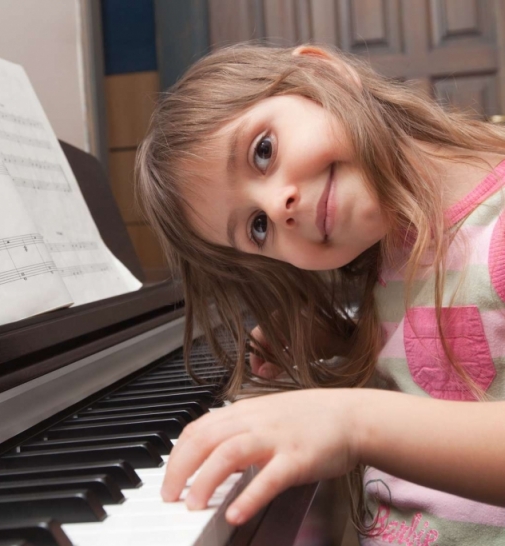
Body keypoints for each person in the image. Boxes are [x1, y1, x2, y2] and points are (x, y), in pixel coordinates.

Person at [135, 43, 505, 544]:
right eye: (259, 227)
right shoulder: (392, 246)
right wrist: (342, 339)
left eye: (262, 151)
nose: (279, 204)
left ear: (321, 71)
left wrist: (350, 423)